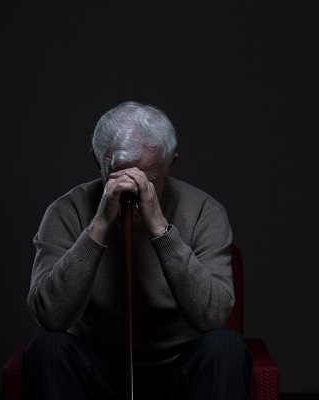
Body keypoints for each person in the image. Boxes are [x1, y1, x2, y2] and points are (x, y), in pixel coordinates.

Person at [23, 101, 253, 399]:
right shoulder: (66, 211)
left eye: (148, 177)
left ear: (171, 163)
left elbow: (212, 316)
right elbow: (51, 317)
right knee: (46, 348)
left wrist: (159, 227)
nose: (132, 187)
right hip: (96, 373)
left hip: (180, 374)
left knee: (226, 347)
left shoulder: (204, 212)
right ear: (97, 161)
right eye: (117, 174)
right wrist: (100, 224)